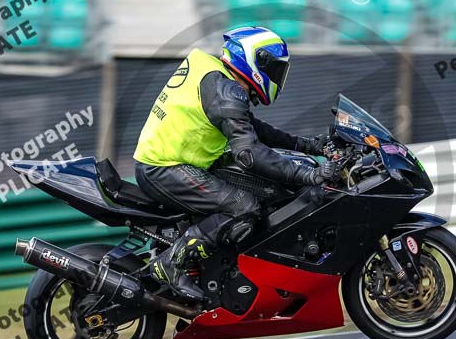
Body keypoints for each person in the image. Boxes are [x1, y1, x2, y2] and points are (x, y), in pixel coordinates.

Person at [133, 27, 340, 300]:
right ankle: (171, 263)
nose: (278, 76)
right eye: (276, 69)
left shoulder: (217, 77)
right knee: (243, 206)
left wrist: (307, 145)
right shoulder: (226, 90)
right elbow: (249, 154)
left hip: (171, 164)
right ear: (257, 61)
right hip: (164, 169)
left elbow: (253, 128)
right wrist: (307, 175)